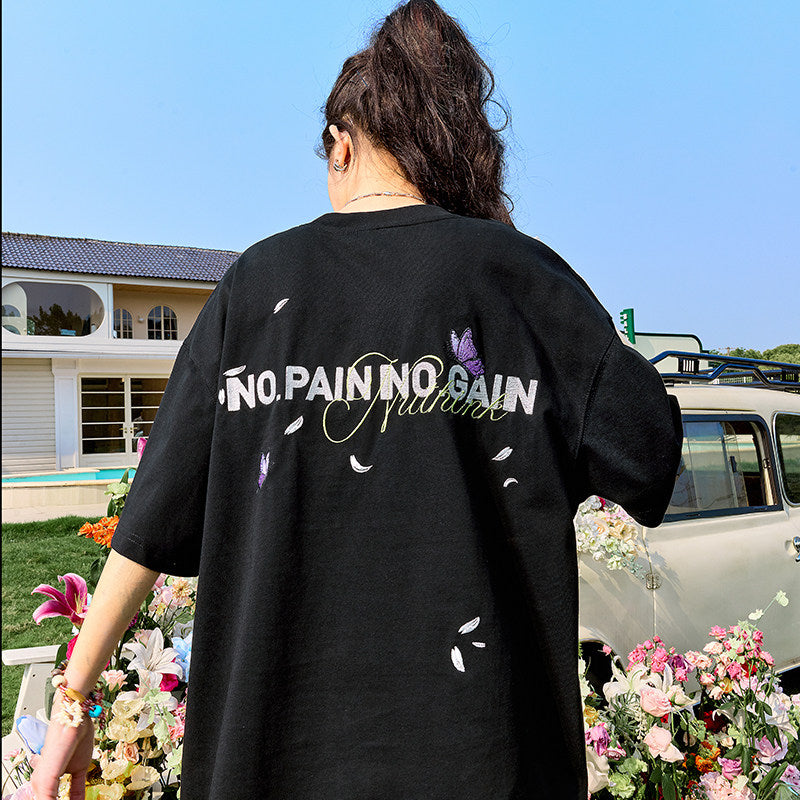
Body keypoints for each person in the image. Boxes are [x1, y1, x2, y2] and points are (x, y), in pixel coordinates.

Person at [31, 1, 683, 798]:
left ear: (340, 145)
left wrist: (74, 700)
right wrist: (522, 291)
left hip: (269, 766)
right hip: (485, 765)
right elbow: (648, 453)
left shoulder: (253, 288)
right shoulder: (521, 277)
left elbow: (145, 528)